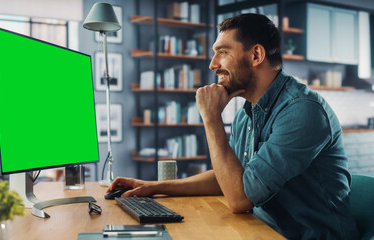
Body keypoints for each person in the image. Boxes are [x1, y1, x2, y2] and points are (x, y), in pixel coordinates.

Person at [109, 14, 359, 239]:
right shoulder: (247, 112)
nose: (212, 64)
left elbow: (240, 198)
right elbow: (232, 179)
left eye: (223, 52)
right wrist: (154, 187)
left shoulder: (301, 111)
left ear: (256, 55)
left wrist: (211, 117)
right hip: (263, 231)